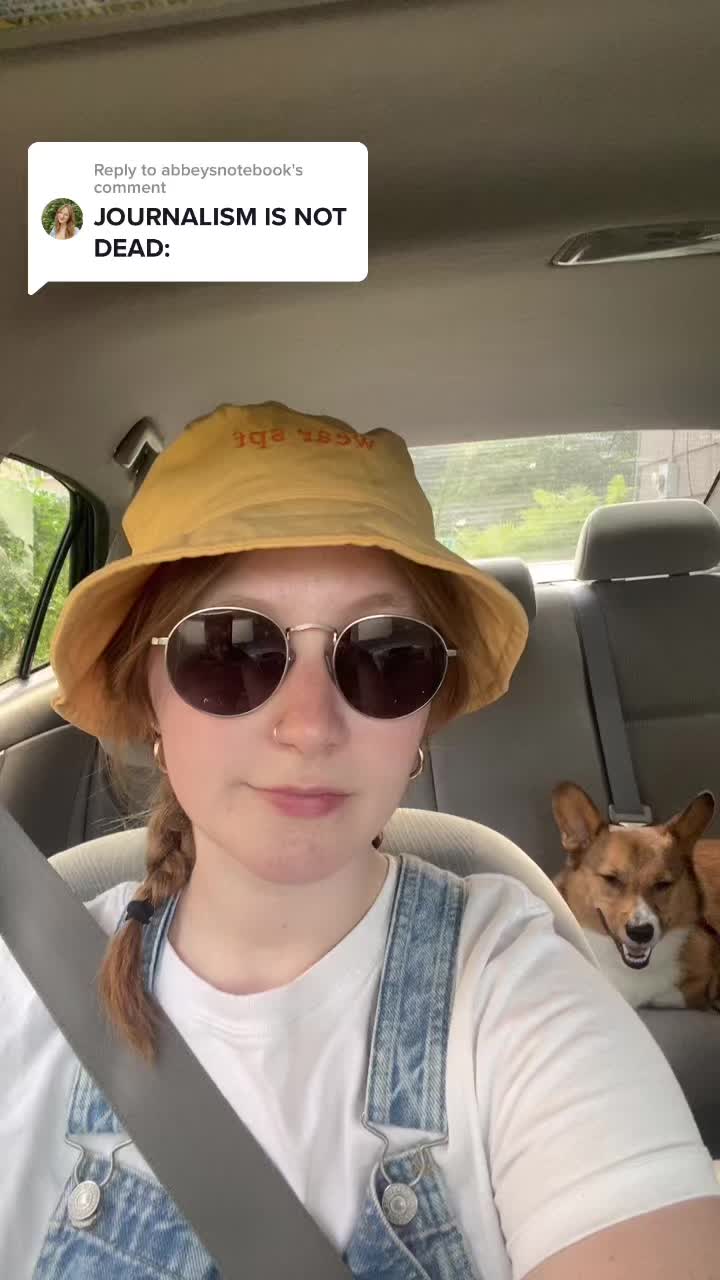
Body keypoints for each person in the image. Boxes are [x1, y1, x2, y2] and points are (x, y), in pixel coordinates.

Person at [1, 400, 718, 1279]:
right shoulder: (24, 992)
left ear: (422, 720)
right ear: (148, 695)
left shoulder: (514, 983)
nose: (310, 726)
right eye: (228, 649)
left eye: (385, 655)